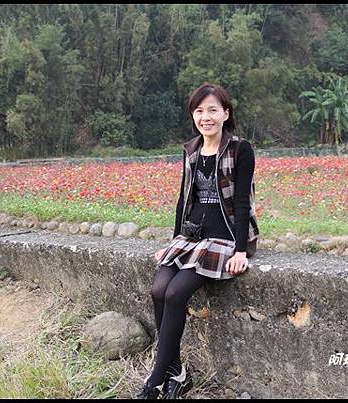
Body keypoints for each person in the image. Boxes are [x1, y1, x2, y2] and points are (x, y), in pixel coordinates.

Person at [136, 83, 260, 399]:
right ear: (193, 115)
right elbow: (184, 199)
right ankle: (177, 372)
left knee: (176, 293)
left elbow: (242, 202)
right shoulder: (191, 150)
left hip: (224, 237)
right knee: (158, 290)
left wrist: (241, 250)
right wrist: (173, 241)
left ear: (226, 114)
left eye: (213, 110)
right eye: (200, 111)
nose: (206, 117)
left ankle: (156, 379)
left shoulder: (239, 149)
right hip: (191, 235)